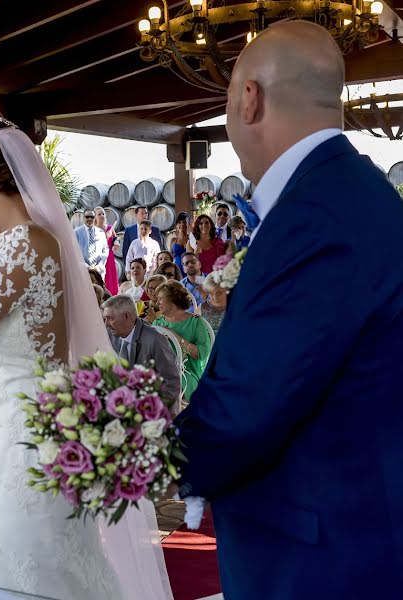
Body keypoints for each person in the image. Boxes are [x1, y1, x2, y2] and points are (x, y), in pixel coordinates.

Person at [175, 22, 403, 600]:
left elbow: (247, 407)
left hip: (322, 560)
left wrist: (121, 450)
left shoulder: (314, 214)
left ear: (249, 99)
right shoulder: (355, 192)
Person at [0, 100, 172, 599]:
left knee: (27, 563)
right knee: (38, 559)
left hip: (20, 438)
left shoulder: (21, 245)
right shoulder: (22, 242)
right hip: (17, 428)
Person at [102, 294, 181, 401]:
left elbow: (171, 385)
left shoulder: (155, 339)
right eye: (105, 319)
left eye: (109, 318)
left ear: (126, 316)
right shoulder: (109, 334)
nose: (106, 324)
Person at [152, 280, 211, 399]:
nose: (157, 302)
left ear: (173, 300)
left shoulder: (195, 322)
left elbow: (202, 355)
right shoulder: (157, 323)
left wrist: (175, 337)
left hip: (187, 373)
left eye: (161, 298)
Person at [74, 209, 109, 276]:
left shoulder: (101, 232)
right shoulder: (76, 232)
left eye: (92, 217)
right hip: (83, 271)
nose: (89, 219)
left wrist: (99, 266)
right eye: (87, 217)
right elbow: (74, 253)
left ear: (94, 218)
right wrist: (87, 267)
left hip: (98, 271)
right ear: (83, 217)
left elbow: (105, 250)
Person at [95, 206, 119, 295]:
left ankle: (113, 295)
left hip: (110, 255)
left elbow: (116, 238)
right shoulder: (94, 230)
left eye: (103, 214)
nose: (102, 216)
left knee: (111, 276)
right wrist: (106, 237)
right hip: (100, 256)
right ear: (95, 217)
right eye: (99, 214)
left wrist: (116, 243)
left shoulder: (109, 227)